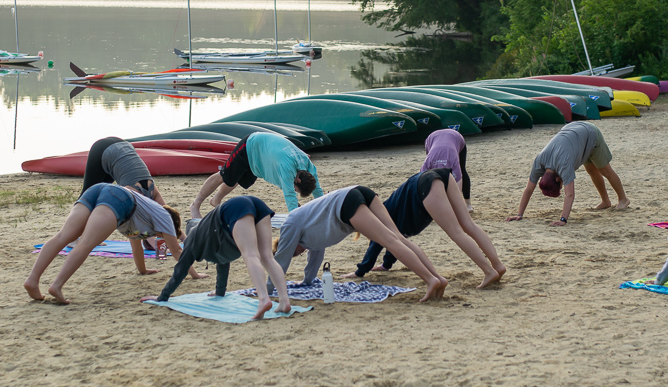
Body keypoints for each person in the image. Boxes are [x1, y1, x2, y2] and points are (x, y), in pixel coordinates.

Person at [24, 183, 207, 304]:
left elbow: (136, 245)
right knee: (86, 244)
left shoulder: (144, 221)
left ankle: (32, 281)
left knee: (62, 237)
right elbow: (176, 251)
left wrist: (143, 270)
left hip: (98, 190)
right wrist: (195, 274)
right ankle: (56, 285)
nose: (163, 239)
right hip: (121, 199)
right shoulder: (165, 218)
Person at [268, 185, 448, 302]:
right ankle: (439, 279)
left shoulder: (290, 226)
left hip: (346, 202)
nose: (300, 251)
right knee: (398, 238)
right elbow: (315, 255)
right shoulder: (310, 235)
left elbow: (281, 260)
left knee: (391, 242)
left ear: (288, 242)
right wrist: (308, 281)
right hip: (357, 192)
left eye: (296, 251)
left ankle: (430, 279)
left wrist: (267, 289)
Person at [343, 168, 505, 288]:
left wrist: (360, 272)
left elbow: (378, 243)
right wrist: (386, 265)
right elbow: (395, 243)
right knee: (469, 225)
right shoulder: (384, 208)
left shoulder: (378, 216)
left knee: (456, 232)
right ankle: (497, 266)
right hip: (440, 175)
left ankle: (489, 271)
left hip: (425, 186)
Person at [140, 196, 291, 320]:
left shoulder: (193, 241)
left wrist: (162, 297)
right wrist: (220, 292)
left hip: (234, 208)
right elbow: (223, 262)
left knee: (250, 255)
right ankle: (284, 302)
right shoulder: (210, 238)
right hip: (255, 202)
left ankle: (264, 299)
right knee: (267, 257)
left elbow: (180, 271)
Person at [506, 122, 630, 226]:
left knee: (605, 170)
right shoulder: (539, 163)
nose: (563, 184)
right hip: (575, 136)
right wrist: (519, 214)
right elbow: (528, 189)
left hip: (590, 133)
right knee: (591, 170)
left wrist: (563, 219)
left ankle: (623, 199)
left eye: (560, 185)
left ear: (557, 179)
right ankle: (606, 201)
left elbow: (569, 194)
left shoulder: (564, 165)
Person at [190, 132, 324, 218]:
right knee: (223, 176)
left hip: (259, 158)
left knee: (235, 179)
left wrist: (325, 211)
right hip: (251, 145)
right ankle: (195, 205)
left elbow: (318, 192)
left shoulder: (309, 168)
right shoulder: (287, 168)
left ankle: (216, 200)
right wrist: (296, 217)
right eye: (296, 189)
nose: (294, 190)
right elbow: (289, 195)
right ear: (298, 179)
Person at [81, 136, 165, 204]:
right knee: (87, 195)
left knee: (98, 194)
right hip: (102, 149)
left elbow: (166, 212)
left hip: (124, 145)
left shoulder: (152, 191)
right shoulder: (131, 194)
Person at [421, 128, 473, 212]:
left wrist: (457, 205)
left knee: (462, 170)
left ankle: (467, 203)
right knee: (430, 179)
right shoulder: (427, 164)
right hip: (432, 138)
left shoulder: (452, 162)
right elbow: (422, 184)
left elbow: (458, 184)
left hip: (455, 137)